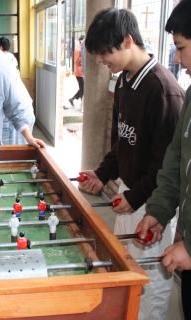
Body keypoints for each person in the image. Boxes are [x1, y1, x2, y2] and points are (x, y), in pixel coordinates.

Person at [79, 8, 184, 320]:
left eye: (104, 53)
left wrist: (136, 198)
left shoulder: (163, 90)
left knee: (150, 283)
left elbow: (166, 164)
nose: (100, 61)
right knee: (126, 269)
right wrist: (103, 173)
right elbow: (120, 143)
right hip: (130, 193)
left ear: (127, 41)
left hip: (154, 202)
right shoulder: (123, 82)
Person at [135, 1, 191, 319]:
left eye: (182, 48)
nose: (179, 60)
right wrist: (159, 210)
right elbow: (176, 157)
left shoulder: (163, 87)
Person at [65, 35, 84, 111]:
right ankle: (80, 103)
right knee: (83, 89)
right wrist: (84, 58)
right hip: (79, 72)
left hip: (81, 72)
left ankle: (72, 99)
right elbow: (77, 61)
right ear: (81, 40)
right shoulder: (78, 49)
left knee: (83, 88)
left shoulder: (81, 49)